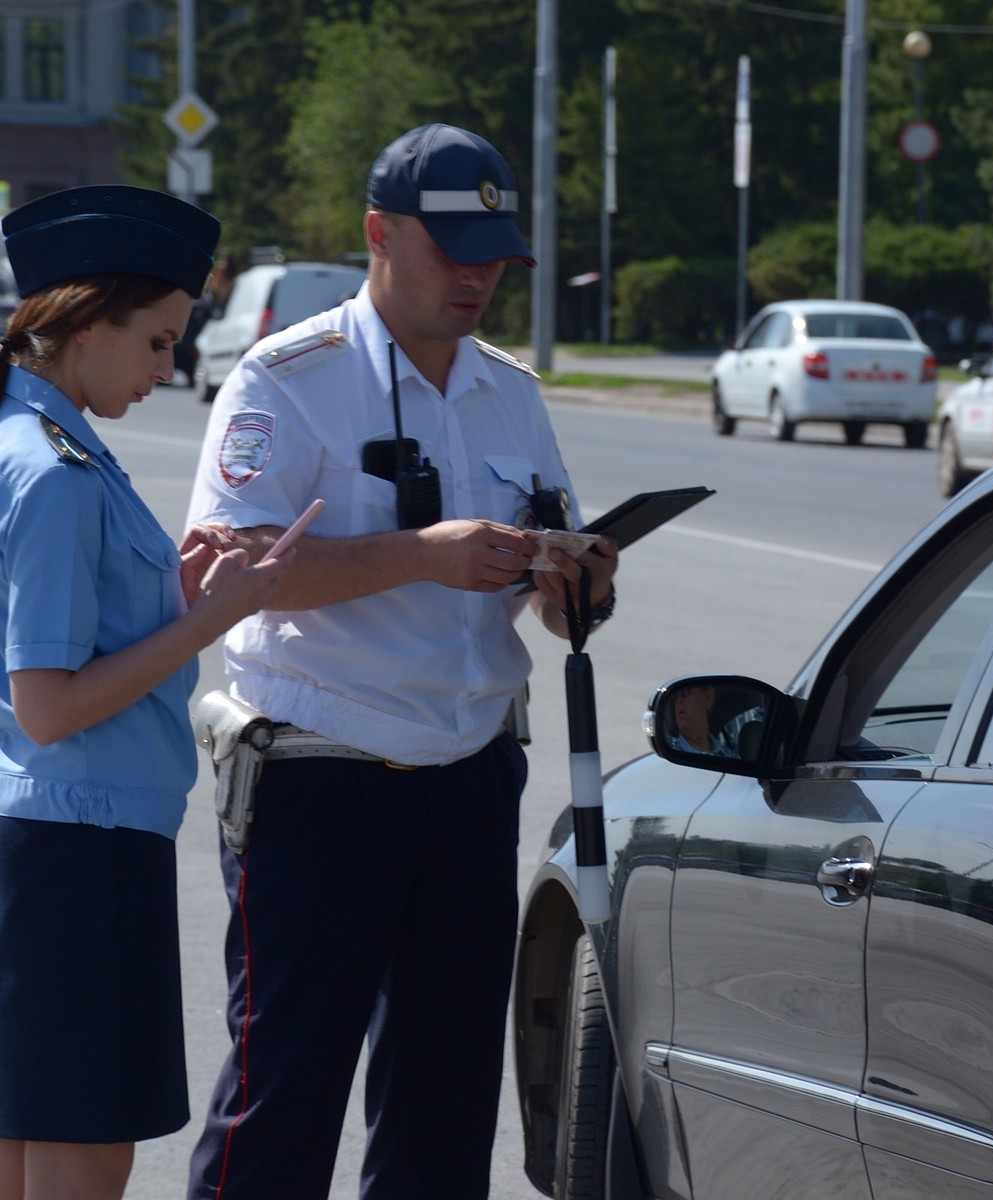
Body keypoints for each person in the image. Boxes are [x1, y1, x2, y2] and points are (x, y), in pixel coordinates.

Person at [185, 123, 619, 1200]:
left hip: (469, 776)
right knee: (285, 1092)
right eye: (453, 247)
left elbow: (541, 570)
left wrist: (574, 583)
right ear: (379, 232)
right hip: (321, 771)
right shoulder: (289, 377)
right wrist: (416, 556)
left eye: (496, 255)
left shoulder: (508, 390)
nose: (477, 275)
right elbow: (231, 566)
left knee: (446, 1102)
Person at [0, 186, 290, 1200]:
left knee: (26, 1139)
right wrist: (212, 619)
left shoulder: (33, 444)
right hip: (78, 849)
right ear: (86, 320)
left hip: (44, 843)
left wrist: (178, 595)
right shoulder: (57, 470)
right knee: (82, 1152)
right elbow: (48, 703)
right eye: (159, 342)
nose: (170, 370)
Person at [669, 684, 737, 756]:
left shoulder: (730, 757)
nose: (679, 700)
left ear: (708, 698)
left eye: (685, 692)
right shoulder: (669, 753)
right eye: (675, 696)